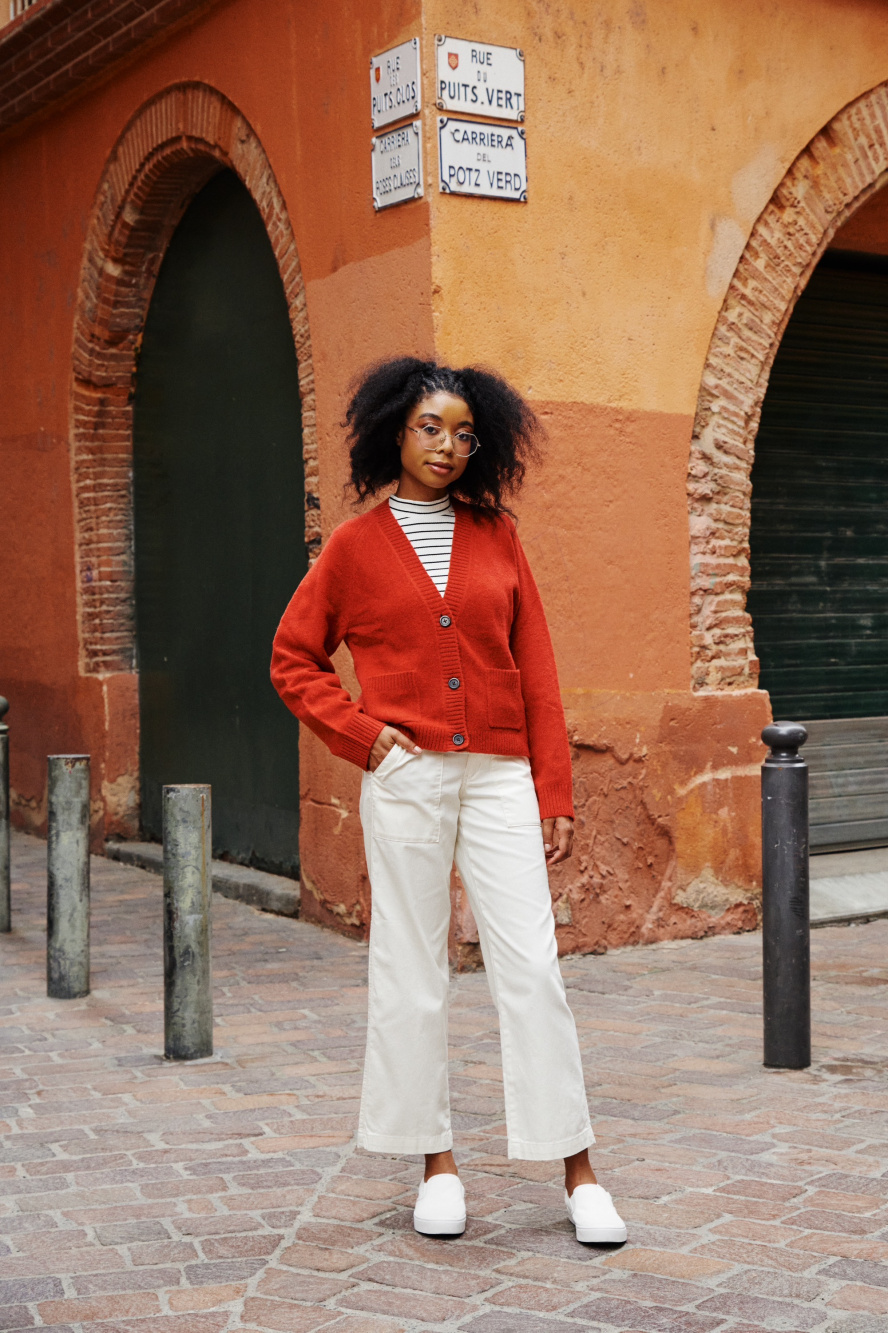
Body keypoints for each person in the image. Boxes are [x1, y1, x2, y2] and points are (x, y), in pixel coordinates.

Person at [271, 357, 626, 1245]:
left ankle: (577, 1168)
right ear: (395, 429)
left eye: (466, 433)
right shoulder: (352, 548)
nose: (449, 446)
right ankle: (434, 1160)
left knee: (533, 966)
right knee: (411, 969)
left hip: (501, 770)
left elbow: (536, 667)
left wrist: (554, 787)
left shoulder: (497, 534)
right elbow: (293, 660)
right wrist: (361, 733)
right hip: (407, 777)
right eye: (431, 427)